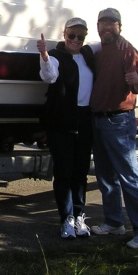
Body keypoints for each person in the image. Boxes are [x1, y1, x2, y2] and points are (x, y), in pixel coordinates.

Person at [88, 7, 138, 249]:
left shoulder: (128, 51)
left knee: (129, 177)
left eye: (111, 23)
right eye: (102, 23)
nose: (106, 27)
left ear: (119, 26)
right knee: (106, 176)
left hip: (119, 121)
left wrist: (137, 82)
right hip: (98, 119)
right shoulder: (99, 51)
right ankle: (114, 223)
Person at [36, 17, 96, 239]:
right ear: (65, 35)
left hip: (85, 120)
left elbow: (107, 42)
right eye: (72, 35)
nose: (76, 40)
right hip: (62, 121)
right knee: (63, 172)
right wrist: (44, 55)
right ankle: (66, 219)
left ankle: (80, 216)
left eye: (81, 36)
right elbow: (49, 76)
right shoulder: (57, 56)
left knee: (81, 172)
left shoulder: (89, 55)